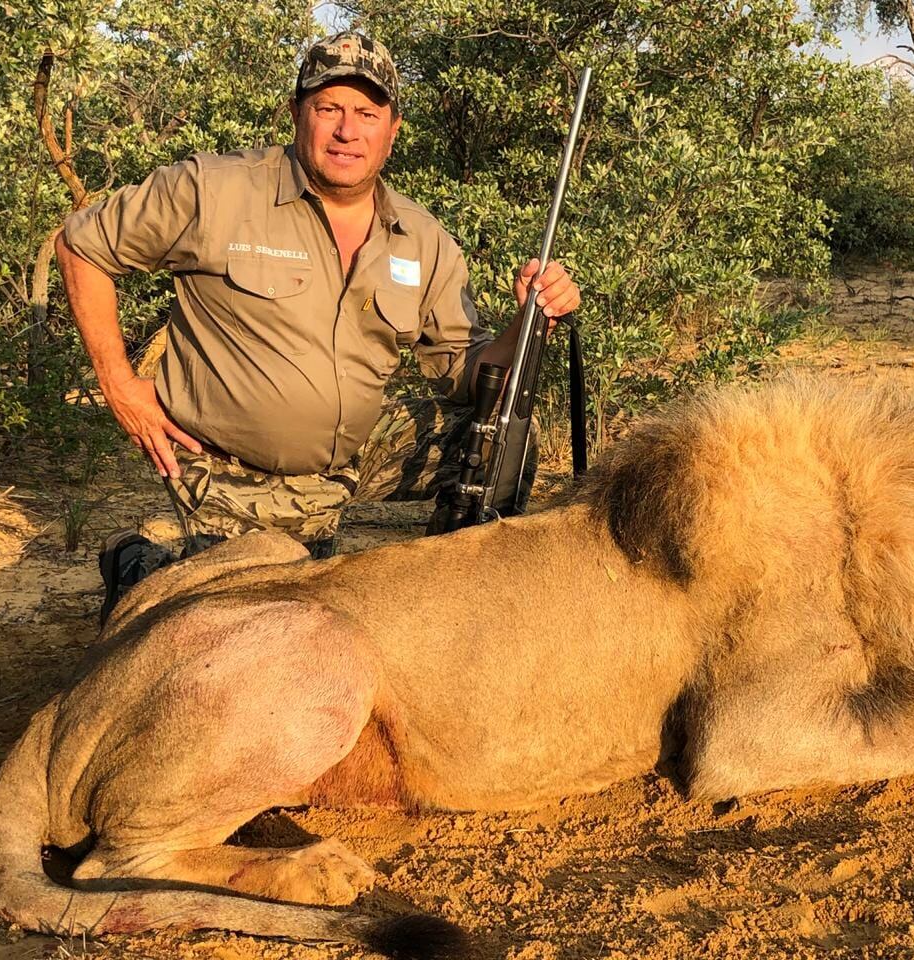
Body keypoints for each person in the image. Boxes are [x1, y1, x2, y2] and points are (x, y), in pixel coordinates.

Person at [55, 32, 581, 620]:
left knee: (497, 436)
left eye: (366, 113)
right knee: (251, 630)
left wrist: (531, 322)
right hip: (229, 468)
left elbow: (465, 372)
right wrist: (119, 386)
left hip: (348, 459)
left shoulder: (423, 238)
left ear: (393, 130)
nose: (346, 130)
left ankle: (453, 610)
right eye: (328, 108)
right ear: (297, 113)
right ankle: (140, 566)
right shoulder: (214, 189)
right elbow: (82, 245)